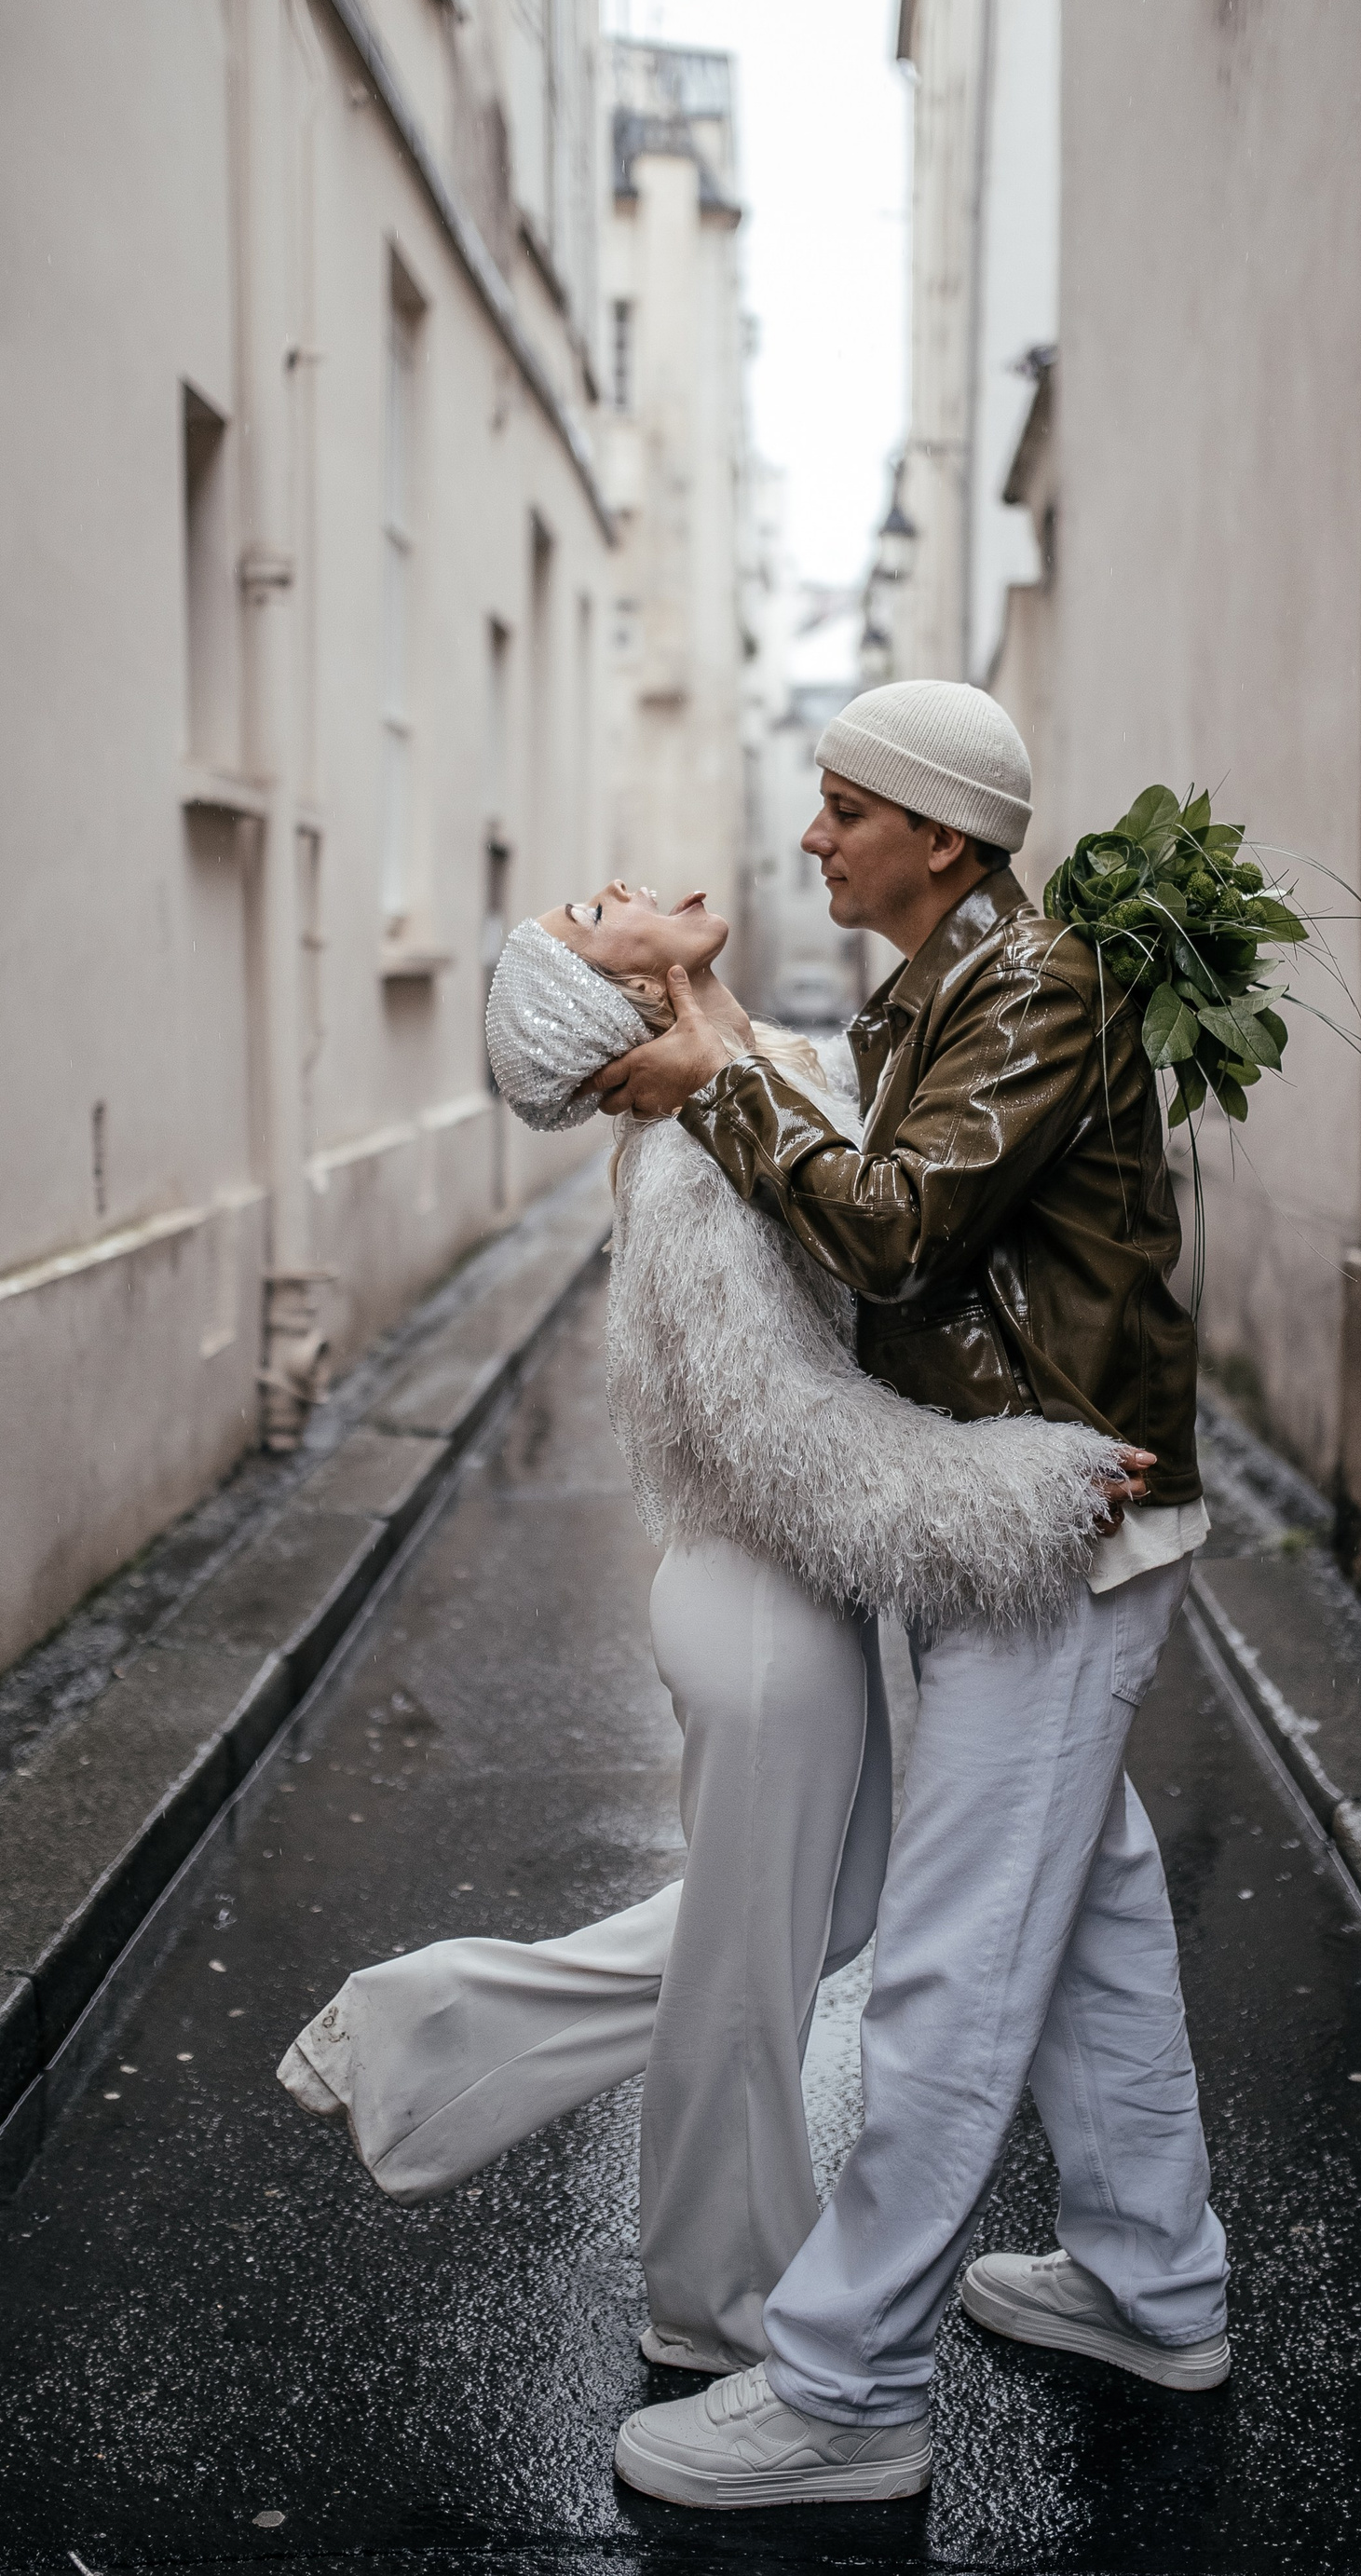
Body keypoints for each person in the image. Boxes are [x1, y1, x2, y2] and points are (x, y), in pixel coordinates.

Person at [278, 874, 1135, 2381]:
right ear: (613, 999)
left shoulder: (745, 1073)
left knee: (817, 1925)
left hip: (786, 1601)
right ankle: (721, 2305)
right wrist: (1034, 1479)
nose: (620, 887)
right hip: (758, 1613)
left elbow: (890, 1176)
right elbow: (797, 1441)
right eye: (586, 914)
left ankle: (425, 2035)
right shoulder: (686, 1167)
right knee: (749, 1988)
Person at [594, 682, 1231, 2510]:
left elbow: (893, 1226)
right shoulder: (945, 987)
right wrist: (719, 1048)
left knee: (958, 1958)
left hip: (1054, 1532)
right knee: (1088, 1914)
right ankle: (1151, 2281)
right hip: (1007, 1514)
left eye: (846, 806)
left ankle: (848, 2386)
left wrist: (718, 1087)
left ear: (941, 837)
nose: (813, 835)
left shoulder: (1033, 987)